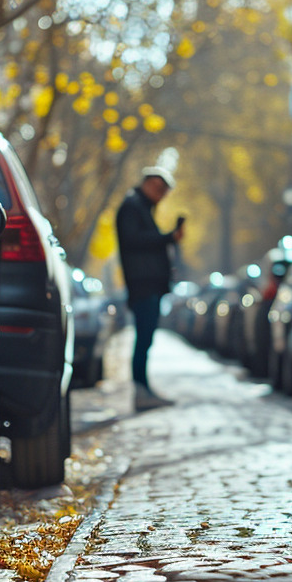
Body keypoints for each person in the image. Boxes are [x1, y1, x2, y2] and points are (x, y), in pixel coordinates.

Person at [116, 166, 184, 410]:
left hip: (149, 285)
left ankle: (143, 390)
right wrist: (167, 238)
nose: (161, 193)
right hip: (142, 285)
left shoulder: (141, 208)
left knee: (146, 339)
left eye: (164, 190)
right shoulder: (132, 207)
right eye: (158, 187)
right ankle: (141, 392)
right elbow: (134, 241)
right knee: (143, 339)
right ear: (146, 183)